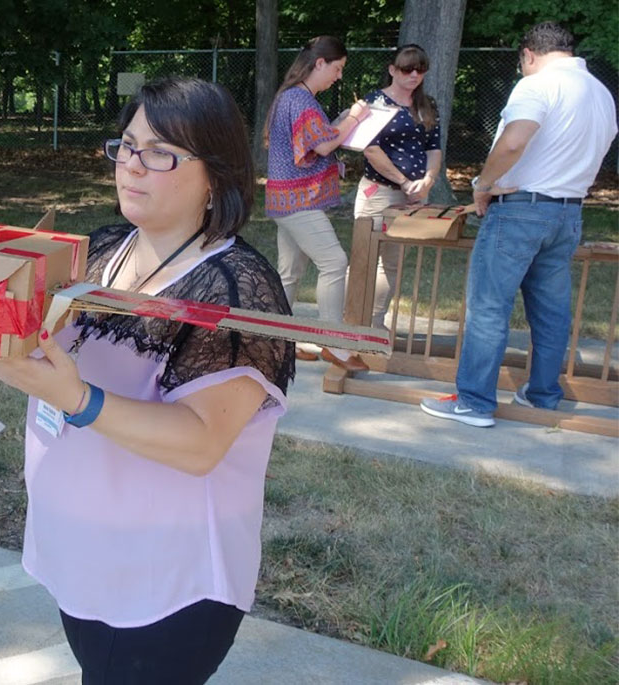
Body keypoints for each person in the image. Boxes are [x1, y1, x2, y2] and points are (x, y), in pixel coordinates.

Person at [0, 77, 294, 685]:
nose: (131, 166)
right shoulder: (98, 253)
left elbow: (201, 443)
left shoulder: (236, 289)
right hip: (82, 559)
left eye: (159, 153)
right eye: (125, 146)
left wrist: (72, 397)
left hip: (164, 583)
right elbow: (34, 351)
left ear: (216, 176)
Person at [421, 22, 617, 428]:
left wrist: (483, 185)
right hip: (569, 211)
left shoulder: (538, 85)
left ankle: (474, 402)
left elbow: (513, 141)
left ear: (529, 53)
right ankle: (543, 394)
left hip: (522, 206)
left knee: (489, 307)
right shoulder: (600, 92)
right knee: (552, 312)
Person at [263, 35, 370, 370]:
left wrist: (338, 123)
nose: (338, 76)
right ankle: (334, 346)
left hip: (284, 198)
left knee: (290, 273)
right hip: (298, 201)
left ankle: (274, 345)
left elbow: (315, 141)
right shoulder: (301, 100)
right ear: (319, 63)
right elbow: (323, 147)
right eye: (337, 69)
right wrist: (354, 118)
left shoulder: (291, 96)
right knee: (334, 263)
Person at [355, 44, 444, 329]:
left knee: (392, 263)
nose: (414, 74)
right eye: (407, 68)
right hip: (378, 192)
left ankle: (375, 325)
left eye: (420, 69)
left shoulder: (427, 105)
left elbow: (434, 147)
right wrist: (404, 182)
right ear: (393, 70)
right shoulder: (374, 102)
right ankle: (352, 323)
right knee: (364, 259)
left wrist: (428, 180)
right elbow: (370, 150)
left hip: (413, 196)